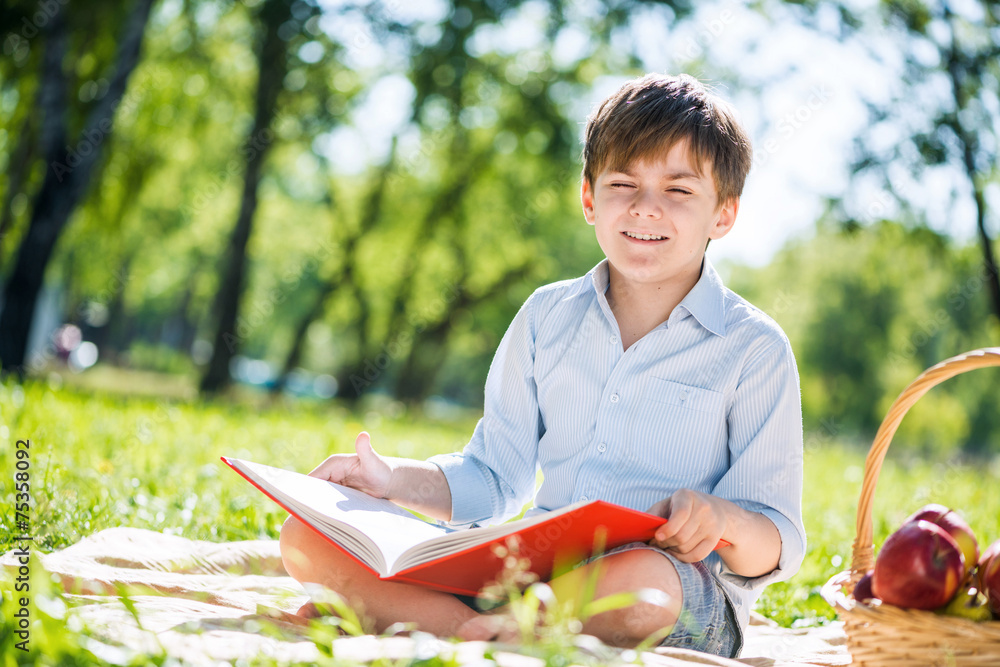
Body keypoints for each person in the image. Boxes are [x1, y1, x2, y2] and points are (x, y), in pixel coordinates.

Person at [279, 72, 805, 659]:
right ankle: (480, 631)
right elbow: (495, 478)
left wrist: (722, 519)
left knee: (641, 584)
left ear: (723, 215)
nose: (645, 209)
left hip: (674, 587)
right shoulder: (546, 316)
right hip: (532, 571)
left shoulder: (754, 348)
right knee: (307, 537)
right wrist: (390, 481)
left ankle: (430, 621)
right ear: (589, 198)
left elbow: (775, 540)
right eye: (623, 183)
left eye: (678, 191)